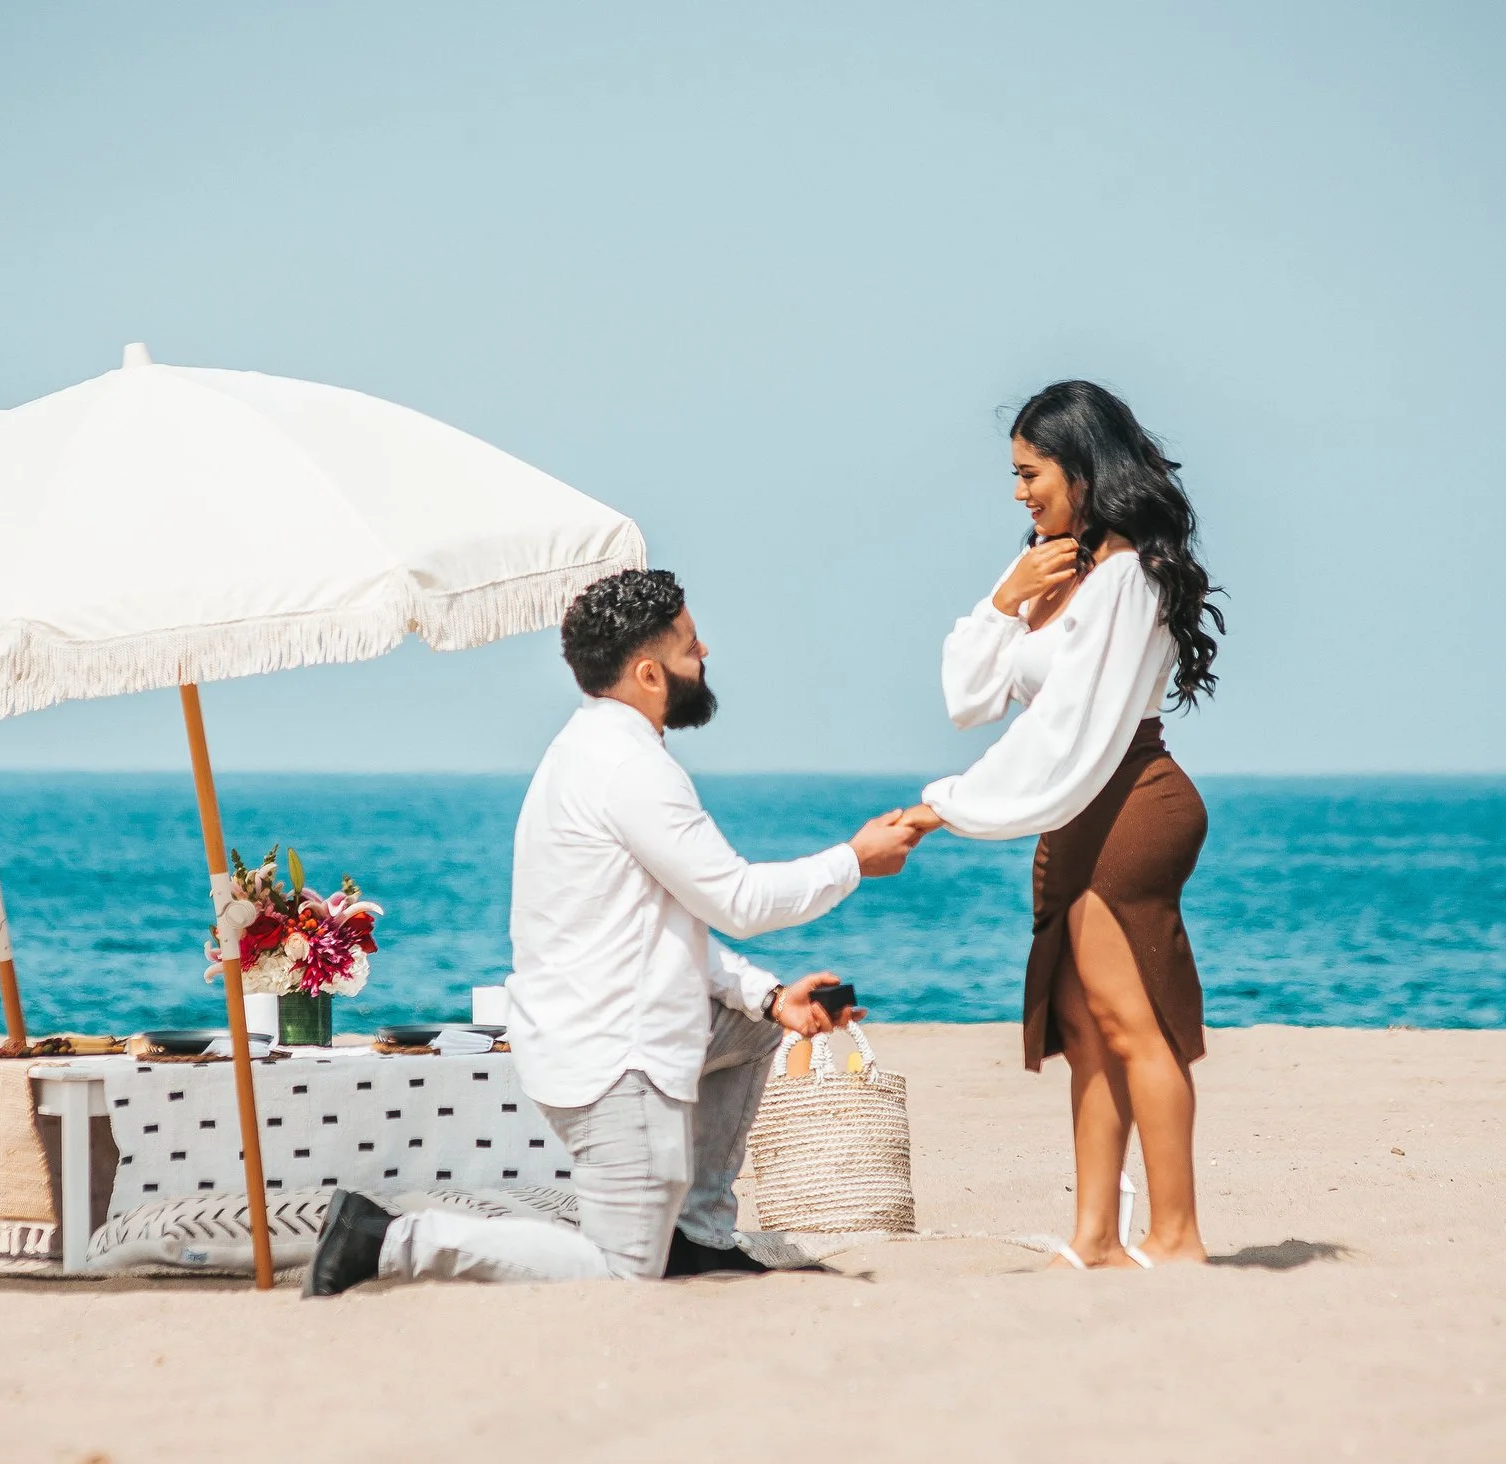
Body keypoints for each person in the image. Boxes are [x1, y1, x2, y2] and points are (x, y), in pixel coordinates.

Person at [305, 568, 926, 1294]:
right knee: (621, 1268)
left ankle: (696, 1235)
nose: (707, 654)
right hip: (613, 1055)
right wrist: (855, 859)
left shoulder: (587, 749)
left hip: (590, 1027)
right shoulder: (631, 769)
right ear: (649, 672)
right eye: (693, 647)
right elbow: (738, 899)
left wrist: (767, 995)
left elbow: (663, 920)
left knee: (757, 1025)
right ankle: (386, 1240)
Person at [896, 381, 1224, 1270]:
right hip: (1079, 800)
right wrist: (1005, 599)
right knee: (1084, 1027)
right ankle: (1096, 1238)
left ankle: (1179, 1236)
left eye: (1030, 471)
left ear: (1082, 465)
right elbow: (969, 700)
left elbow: (1071, 720)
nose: (1018, 491)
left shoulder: (1128, 575)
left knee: (1132, 1021)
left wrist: (946, 806)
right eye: (1013, 473)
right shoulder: (1055, 567)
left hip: (1128, 800)